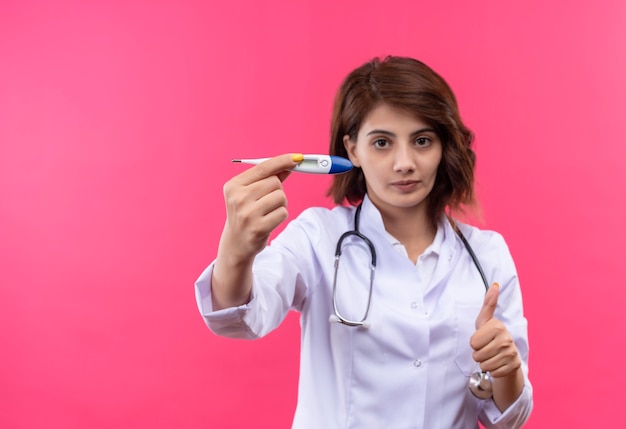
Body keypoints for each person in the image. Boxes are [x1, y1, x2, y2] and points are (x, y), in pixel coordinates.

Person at [194, 56, 533, 428]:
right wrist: (237, 250)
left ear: (443, 146)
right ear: (352, 150)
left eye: (422, 140)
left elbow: (508, 417)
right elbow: (239, 318)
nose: (404, 163)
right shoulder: (318, 238)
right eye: (382, 142)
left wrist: (507, 368)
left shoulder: (487, 255)